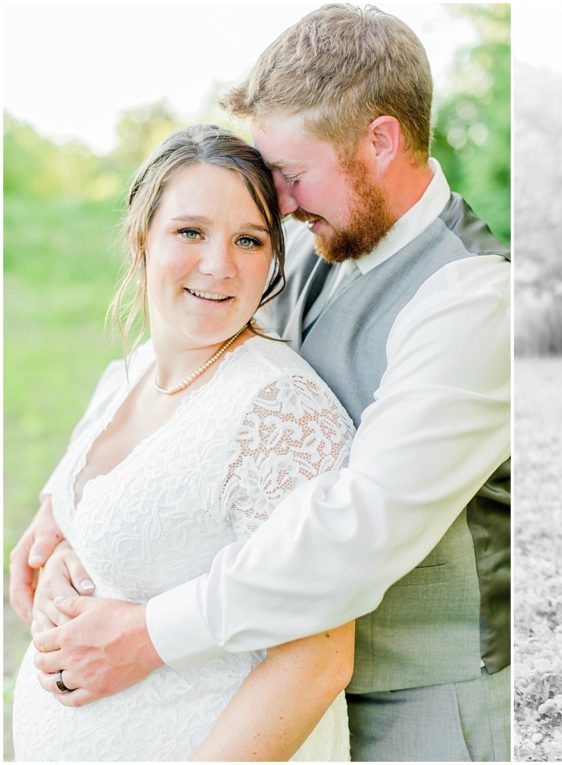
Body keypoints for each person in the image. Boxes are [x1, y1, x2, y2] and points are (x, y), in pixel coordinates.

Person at [12, 5, 511, 761]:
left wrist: (148, 633)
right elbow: (176, 366)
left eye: (291, 171)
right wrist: (65, 502)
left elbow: (354, 530)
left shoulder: (474, 300)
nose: (274, 201)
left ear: (380, 141)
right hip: (278, 683)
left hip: (425, 705)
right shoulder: (318, 239)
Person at [11, 124, 356, 760]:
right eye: (190, 231)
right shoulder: (133, 369)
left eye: (249, 240)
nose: (218, 265)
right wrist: (60, 546)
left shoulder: (279, 411)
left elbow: (315, 662)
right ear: (142, 237)